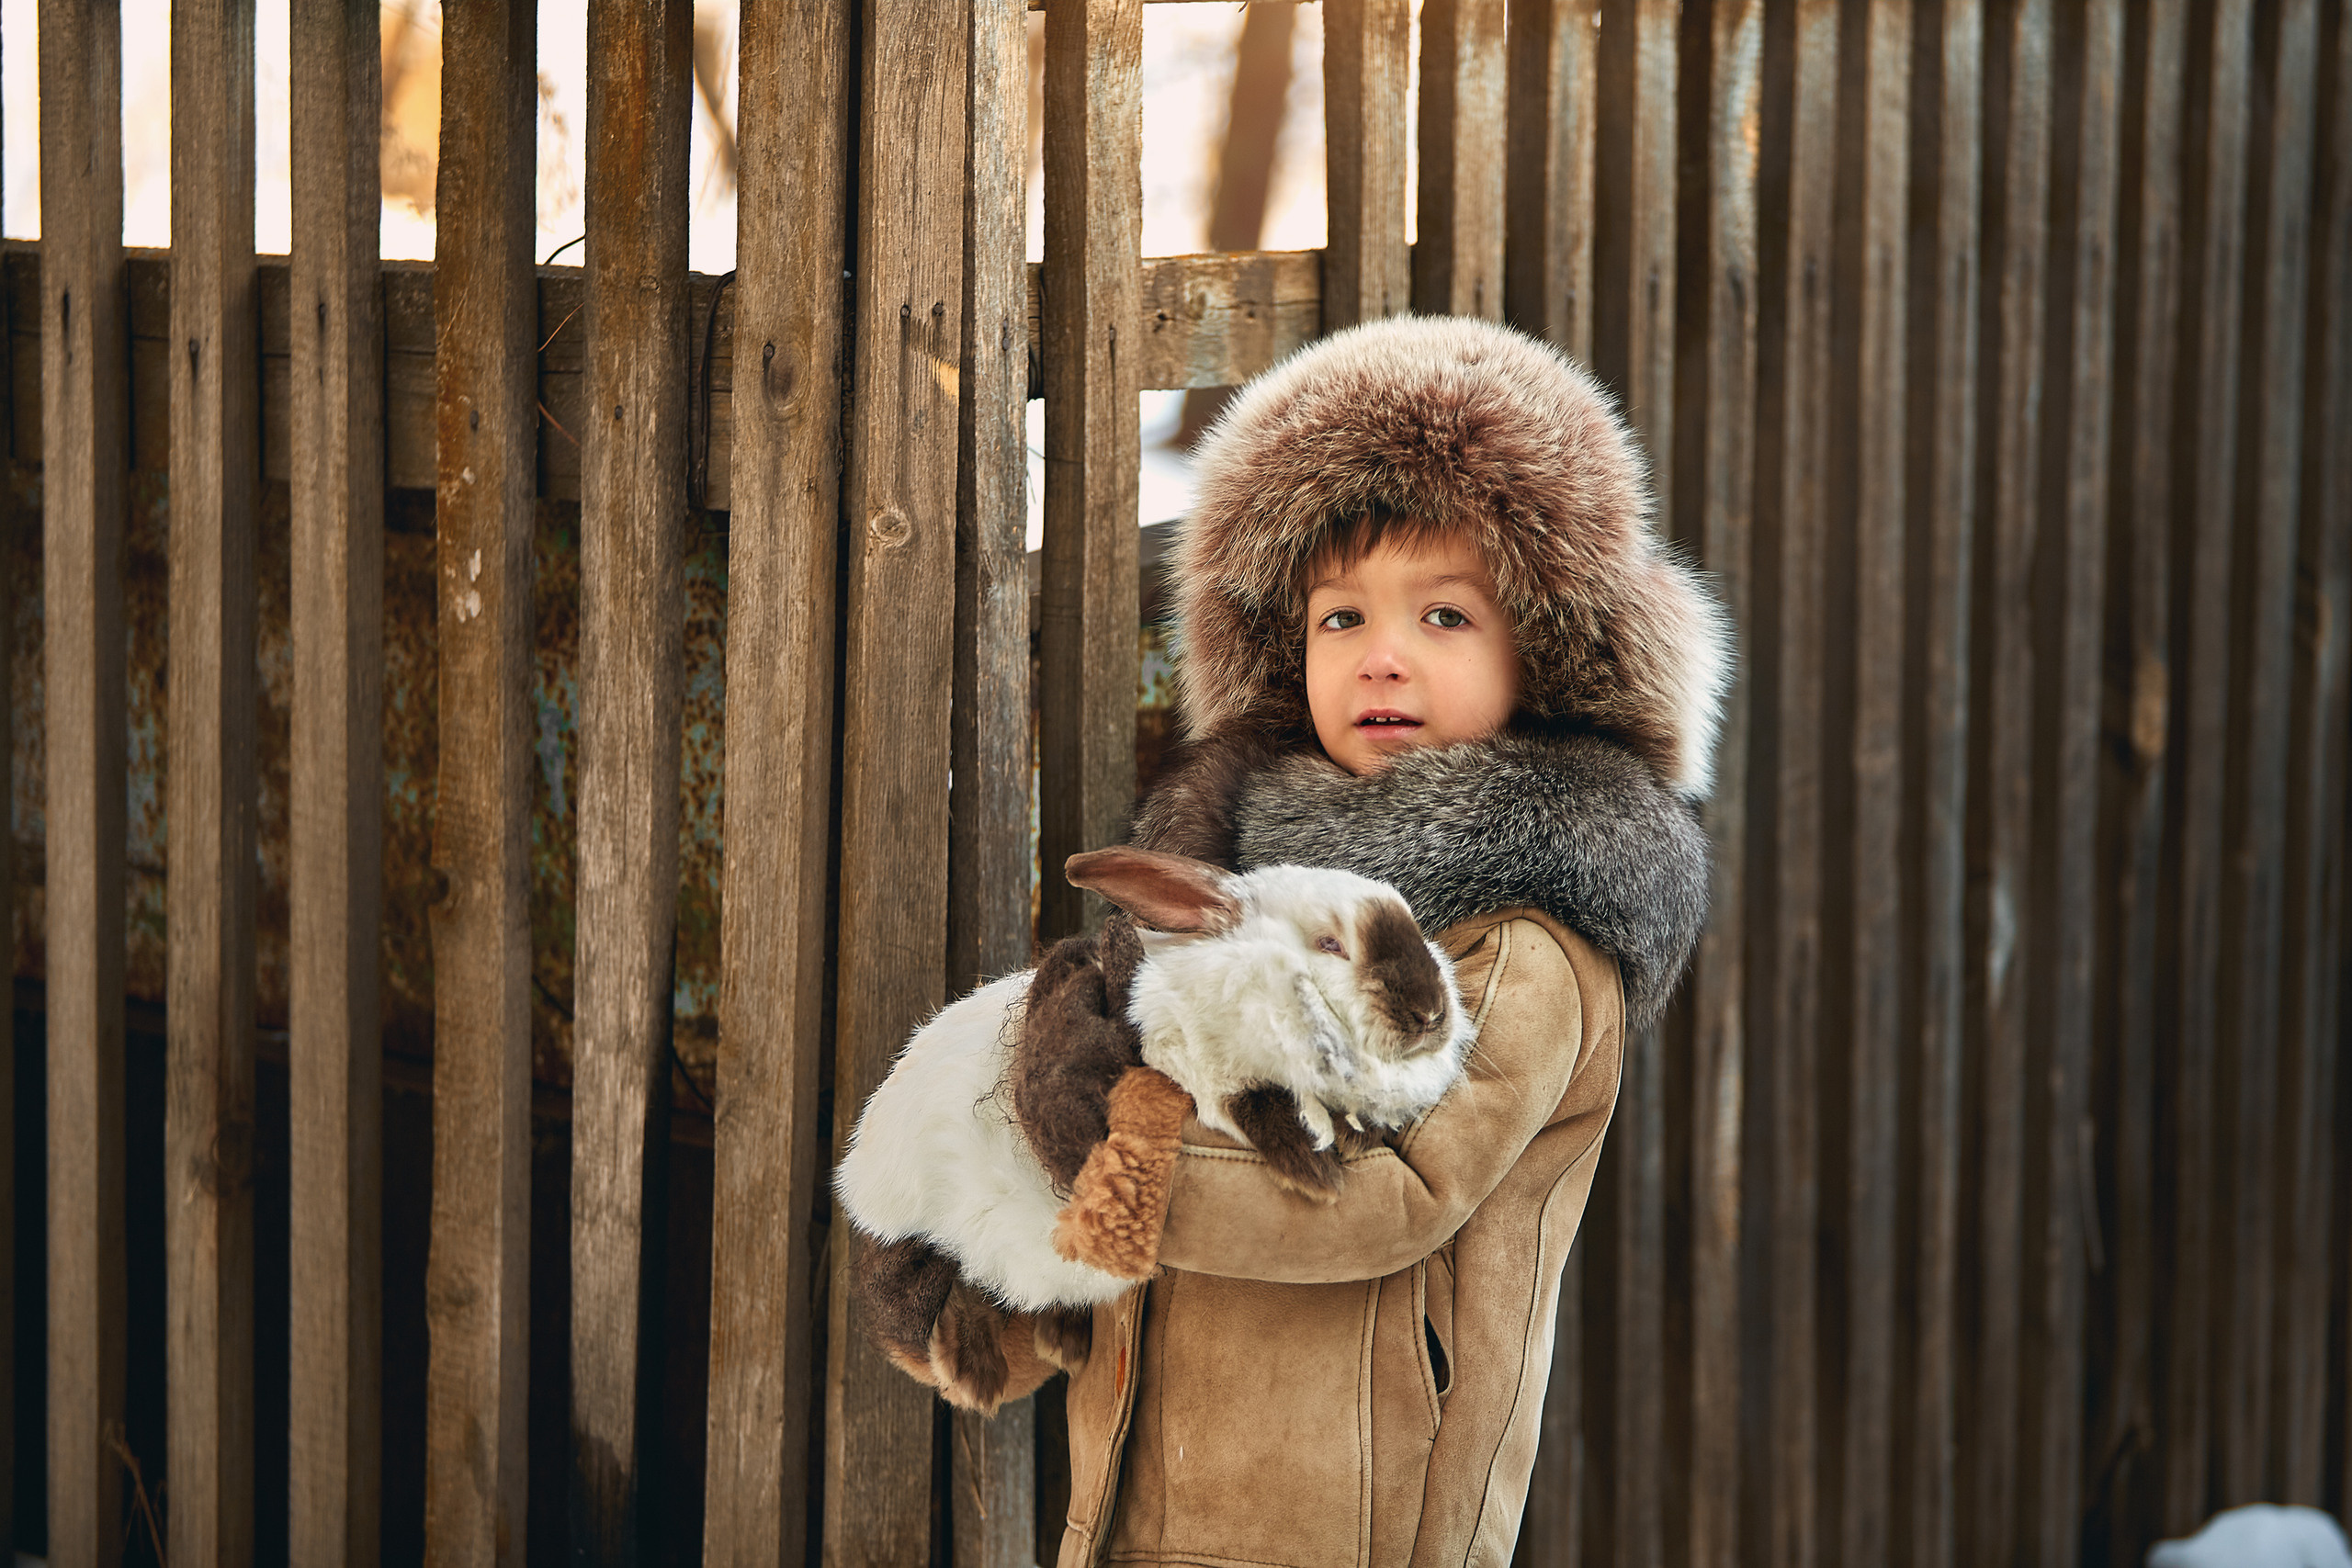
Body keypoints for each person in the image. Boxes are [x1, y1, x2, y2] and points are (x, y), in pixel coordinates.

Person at [1030, 314, 1731, 1567]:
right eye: (1340, 619)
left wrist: (1105, 1152)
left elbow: (1378, 1202)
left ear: (1550, 647)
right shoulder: (1234, 885)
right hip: (1143, 1493)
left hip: (1365, 1523)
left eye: (1446, 617)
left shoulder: (1526, 940)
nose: (1383, 656)